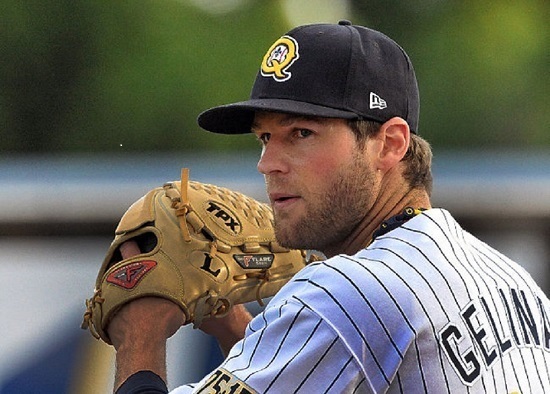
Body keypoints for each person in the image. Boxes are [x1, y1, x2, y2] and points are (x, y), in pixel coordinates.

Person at [108, 21, 550, 393]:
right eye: (264, 137)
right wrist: (235, 330)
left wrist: (139, 334)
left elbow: (347, 317)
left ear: (390, 144)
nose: (267, 164)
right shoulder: (512, 282)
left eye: (300, 133)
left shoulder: (344, 293)